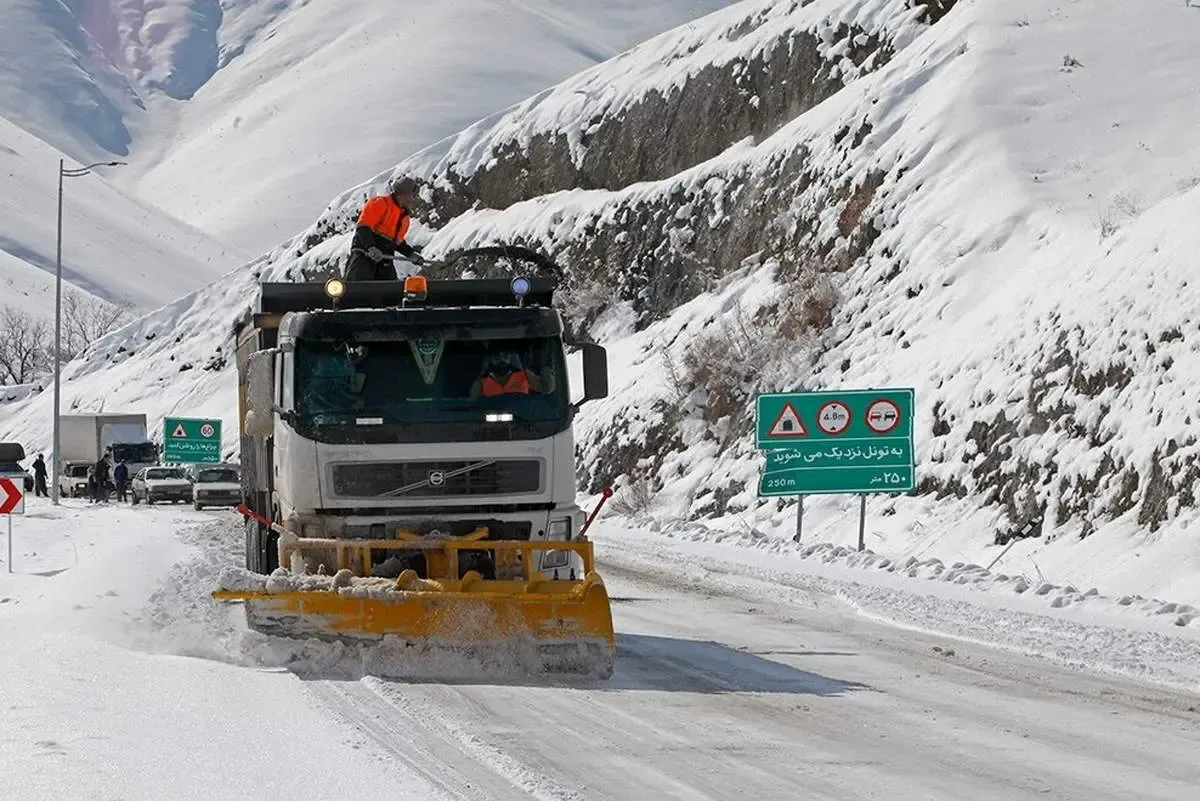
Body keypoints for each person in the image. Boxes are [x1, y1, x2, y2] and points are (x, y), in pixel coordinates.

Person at [344, 176, 425, 281]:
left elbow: (398, 243)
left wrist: (411, 254)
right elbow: (363, 228)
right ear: (404, 194)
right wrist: (370, 247)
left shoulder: (405, 219)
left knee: (389, 292)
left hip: (385, 260)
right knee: (357, 290)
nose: (413, 199)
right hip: (364, 257)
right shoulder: (380, 203)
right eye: (412, 195)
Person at [470, 350, 543, 398]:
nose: (502, 360)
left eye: (505, 355)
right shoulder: (481, 381)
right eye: (496, 356)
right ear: (490, 359)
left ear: (510, 357)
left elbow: (546, 389)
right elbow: (473, 405)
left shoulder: (525, 374)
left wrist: (547, 370)